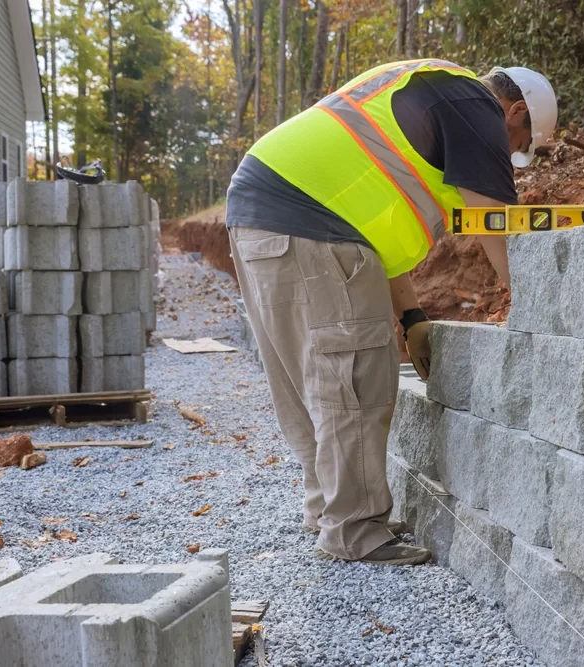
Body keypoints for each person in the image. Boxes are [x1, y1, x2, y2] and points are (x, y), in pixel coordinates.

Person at [225, 58, 557, 566]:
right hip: (309, 225)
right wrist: (544, 313)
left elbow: (371, 232)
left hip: (264, 216)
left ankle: (330, 512)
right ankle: (355, 531)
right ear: (514, 112)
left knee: (316, 378)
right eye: (519, 144)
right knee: (354, 377)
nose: (510, 154)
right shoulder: (473, 106)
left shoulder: (429, 90)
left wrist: (412, 317)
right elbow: (501, 230)